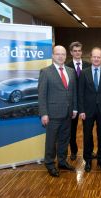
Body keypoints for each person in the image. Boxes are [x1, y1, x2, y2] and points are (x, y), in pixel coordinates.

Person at [38, 45, 77, 177]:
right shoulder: (45, 72)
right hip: (52, 114)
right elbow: (42, 95)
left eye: (63, 54)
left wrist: (75, 108)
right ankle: (49, 164)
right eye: (58, 54)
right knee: (51, 141)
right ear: (53, 56)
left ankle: (62, 161)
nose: (61, 56)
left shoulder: (70, 71)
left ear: (66, 56)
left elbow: (73, 92)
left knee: (64, 139)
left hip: (68, 113)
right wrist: (44, 113)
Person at [78, 47, 101, 172]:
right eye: (94, 56)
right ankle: (87, 160)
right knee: (87, 136)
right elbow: (80, 93)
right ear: (90, 58)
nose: (96, 59)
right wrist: (81, 110)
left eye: (99, 57)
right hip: (87, 110)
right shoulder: (84, 73)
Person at [66, 41, 93, 161]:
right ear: (71, 52)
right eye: (75, 51)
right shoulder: (67, 67)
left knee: (88, 129)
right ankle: (73, 151)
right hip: (72, 103)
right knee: (72, 129)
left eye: (79, 50)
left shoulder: (88, 65)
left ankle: (90, 151)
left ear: (82, 52)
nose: (77, 53)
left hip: (87, 103)